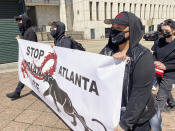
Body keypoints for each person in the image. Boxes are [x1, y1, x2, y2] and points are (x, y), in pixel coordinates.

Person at [100, 11, 156, 131]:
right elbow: (94, 71)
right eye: (113, 27)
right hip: (113, 114)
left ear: (132, 31)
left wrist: (124, 125)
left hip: (136, 121)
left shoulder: (143, 56)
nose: (114, 31)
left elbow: (140, 94)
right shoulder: (107, 51)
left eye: (119, 28)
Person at [6, 14, 37, 99]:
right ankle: (17, 92)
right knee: (27, 75)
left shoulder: (30, 32)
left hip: (31, 60)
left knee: (26, 74)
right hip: (29, 60)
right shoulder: (26, 32)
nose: (18, 23)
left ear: (25, 21)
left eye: (20, 21)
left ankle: (17, 92)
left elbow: (32, 46)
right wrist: (20, 40)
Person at [152, 19, 175, 112]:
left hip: (170, 73)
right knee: (164, 88)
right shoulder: (159, 41)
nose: (164, 33)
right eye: (163, 31)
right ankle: (172, 104)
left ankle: (155, 114)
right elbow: (154, 54)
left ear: (174, 30)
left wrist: (166, 67)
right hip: (158, 71)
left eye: (167, 31)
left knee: (160, 97)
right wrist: (154, 62)